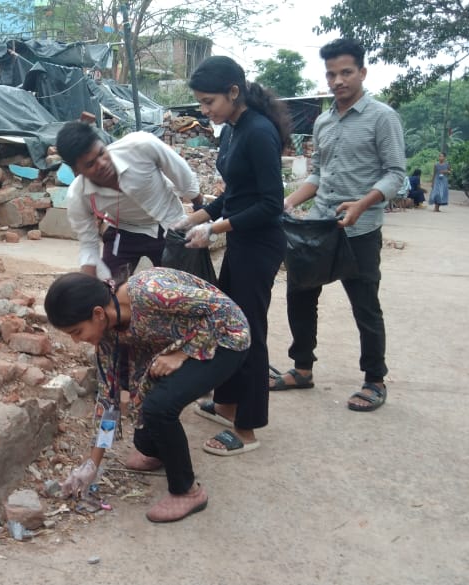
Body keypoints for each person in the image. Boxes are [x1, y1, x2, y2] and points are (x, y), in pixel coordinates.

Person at [46, 268, 249, 523]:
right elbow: (109, 401)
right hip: (176, 348)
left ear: (98, 313)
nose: (77, 341)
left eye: (77, 332)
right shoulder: (108, 336)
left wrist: (182, 354)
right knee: (144, 439)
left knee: (158, 407)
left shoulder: (148, 291)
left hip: (225, 339)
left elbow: (224, 309)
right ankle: (159, 452)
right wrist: (91, 464)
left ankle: (187, 491)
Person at [270, 38, 406, 413]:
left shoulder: (382, 117)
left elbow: (397, 175)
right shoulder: (324, 121)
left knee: (364, 304)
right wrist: (289, 201)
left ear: (362, 72)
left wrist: (363, 204)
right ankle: (302, 369)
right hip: (319, 226)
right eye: (331, 74)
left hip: (359, 230)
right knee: (299, 294)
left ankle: (374, 379)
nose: (338, 80)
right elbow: (318, 175)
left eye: (346, 72)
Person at [174, 55, 290, 455]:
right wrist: (193, 219)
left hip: (260, 244)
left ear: (233, 92)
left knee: (250, 332)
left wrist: (215, 229)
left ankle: (248, 428)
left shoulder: (258, 132)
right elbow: (233, 195)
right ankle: (226, 402)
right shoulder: (232, 130)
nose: (205, 111)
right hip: (242, 239)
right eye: (201, 104)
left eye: (209, 103)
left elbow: (270, 205)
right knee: (229, 324)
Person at [56, 121, 200, 283]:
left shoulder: (141, 146)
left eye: (101, 153)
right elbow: (89, 244)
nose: (102, 164)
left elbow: (187, 183)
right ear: (76, 171)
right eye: (90, 164)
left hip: (170, 223)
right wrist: (88, 288)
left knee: (183, 288)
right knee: (110, 289)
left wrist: (203, 220)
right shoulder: (78, 195)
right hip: (124, 230)